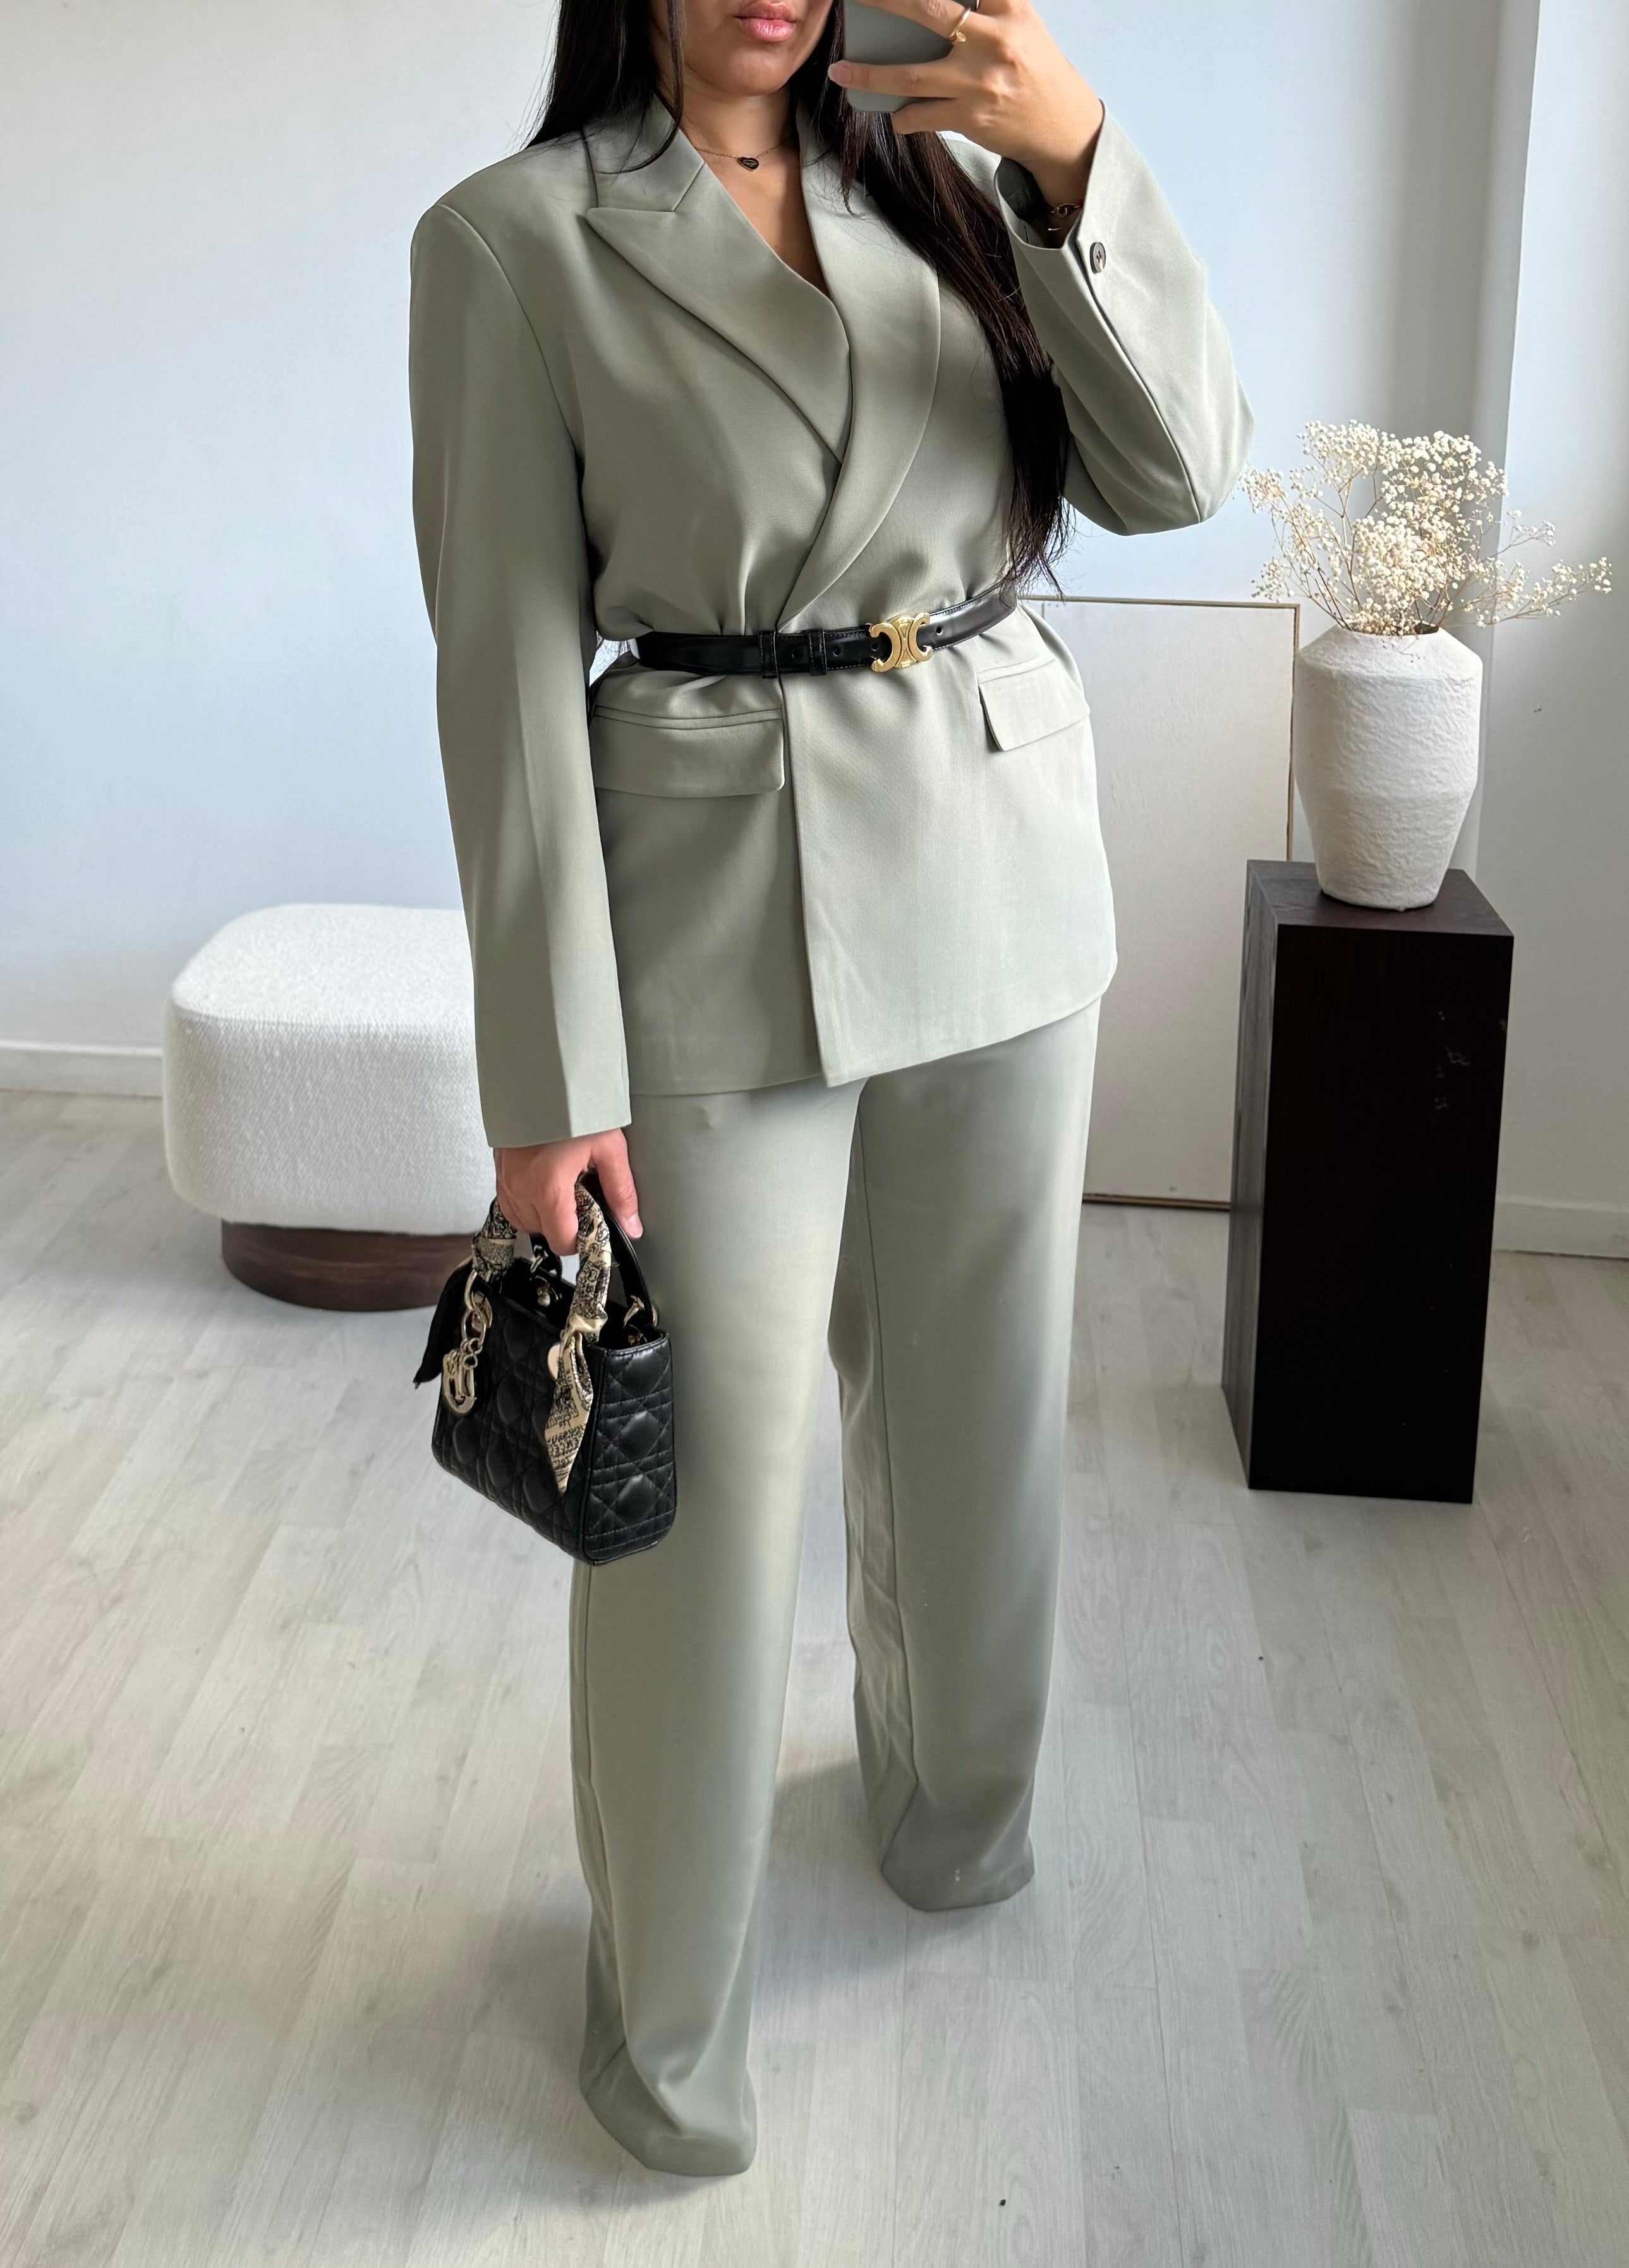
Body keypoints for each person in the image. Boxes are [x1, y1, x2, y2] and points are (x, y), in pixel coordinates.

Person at [409, 0, 1251, 2176]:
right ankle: (667, 2038)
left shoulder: (947, 189)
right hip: (710, 901)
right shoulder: (514, 239)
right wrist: (544, 1076)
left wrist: (1075, 163)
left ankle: (954, 1823)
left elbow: (1175, 477)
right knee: (694, 1496)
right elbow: (504, 673)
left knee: (981, 1419)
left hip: (995, 846)